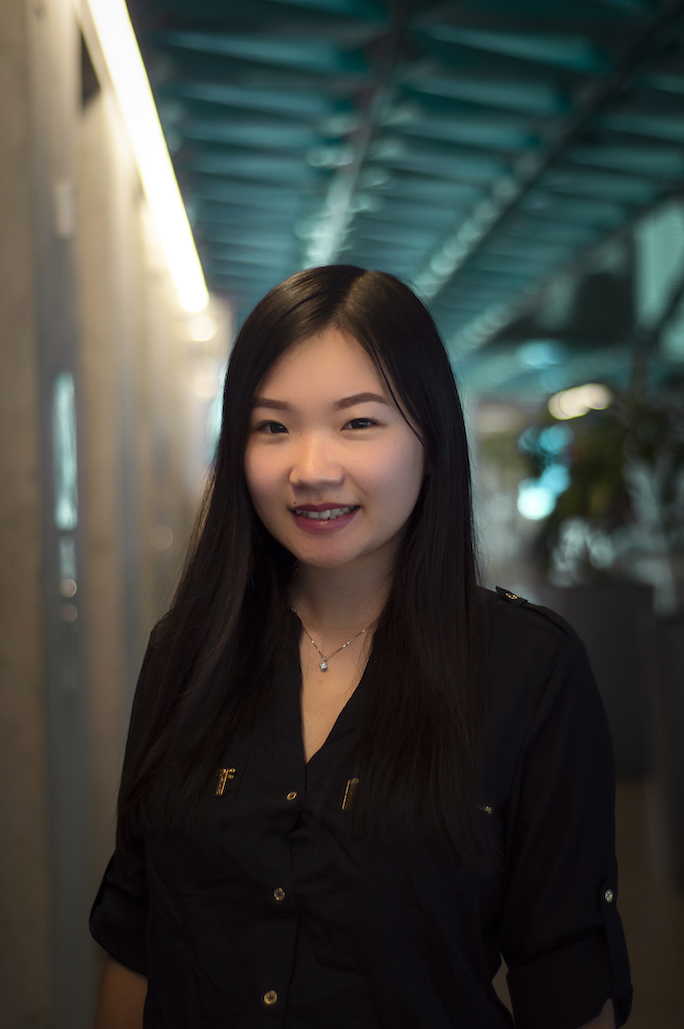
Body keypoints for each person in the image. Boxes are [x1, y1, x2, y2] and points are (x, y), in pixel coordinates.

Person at [91, 266, 631, 1029]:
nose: (312, 469)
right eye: (272, 427)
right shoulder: (188, 650)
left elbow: (566, 979)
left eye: (358, 423)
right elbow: (135, 935)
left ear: (431, 439)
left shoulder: (529, 670)